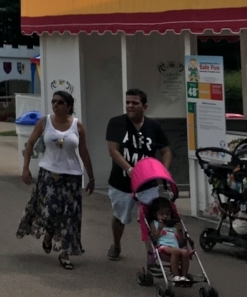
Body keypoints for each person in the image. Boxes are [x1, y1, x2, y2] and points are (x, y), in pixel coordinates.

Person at [17, 90, 96, 270]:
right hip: (48, 175)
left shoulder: (77, 126)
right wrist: (25, 167)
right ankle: (48, 235)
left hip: (72, 176)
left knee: (69, 216)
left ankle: (64, 253)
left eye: (60, 102)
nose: (55, 104)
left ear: (68, 106)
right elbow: (30, 143)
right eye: (53, 101)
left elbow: (83, 151)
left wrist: (91, 177)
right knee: (49, 211)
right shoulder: (44, 122)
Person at [105, 88, 171, 261]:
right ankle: (116, 244)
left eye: (135, 103)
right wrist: (130, 170)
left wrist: (163, 171)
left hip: (147, 184)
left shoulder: (154, 127)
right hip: (121, 183)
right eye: (127, 103)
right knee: (120, 217)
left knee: (150, 219)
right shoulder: (116, 123)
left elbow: (166, 151)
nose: (130, 106)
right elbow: (113, 150)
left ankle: (152, 255)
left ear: (145, 106)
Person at [149, 197, 190, 282]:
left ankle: (184, 276)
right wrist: (160, 228)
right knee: (176, 251)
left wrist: (179, 230)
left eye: (167, 214)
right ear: (155, 214)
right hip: (162, 247)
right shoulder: (155, 223)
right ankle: (175, 277)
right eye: (162, 214)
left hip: (176, 247)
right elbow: (155, 238)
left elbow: (181, 242)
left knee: (185, 252)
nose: (165, 216)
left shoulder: (173, 225)